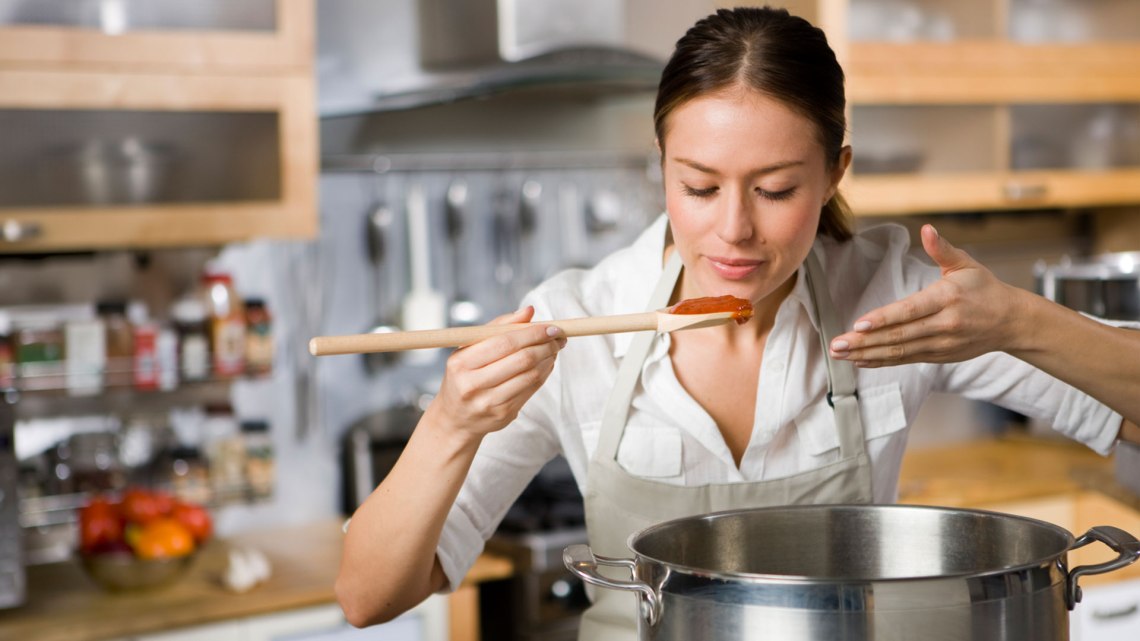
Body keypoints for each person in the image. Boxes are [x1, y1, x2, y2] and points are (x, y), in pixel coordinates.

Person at [334, 8, 1134, 638]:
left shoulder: (890, 295)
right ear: (661, 170)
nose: (734, 232)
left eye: (777, 189)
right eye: (700, 186)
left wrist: (1020, 322)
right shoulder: (579, 320)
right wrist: (449, 424)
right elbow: (370, 596)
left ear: (834, 173)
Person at [829, 223, 1140, 432]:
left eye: (781, 190)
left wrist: (1014, 320)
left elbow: (1123, 415)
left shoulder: (908, 296)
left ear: (835, 173)